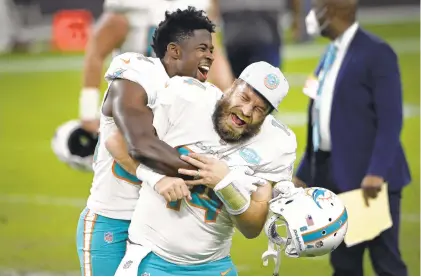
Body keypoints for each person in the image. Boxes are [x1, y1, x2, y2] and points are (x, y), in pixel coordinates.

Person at [105, 62, 297, 276]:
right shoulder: (187, 98)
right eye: (244, 98)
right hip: (153, 258)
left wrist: (225, 184)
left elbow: (252, 227)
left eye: (259, 109)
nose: (246, 111)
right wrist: (156, 178)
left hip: (215, 265)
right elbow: (117, 142)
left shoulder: (275, 144)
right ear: (233, 86)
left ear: (268, 117)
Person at [76, 7, 217, 276]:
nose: (210, 55)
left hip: (161, 227)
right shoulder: (136, 73)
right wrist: (212, 177)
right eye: (202, 48)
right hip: (114, 219)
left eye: (211, 49)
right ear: (175, 51)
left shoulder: (200, 96)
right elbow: (141, 143)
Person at [294, 0, 410, 275]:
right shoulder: (331, 53)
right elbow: (320, 118)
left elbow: (391, 119)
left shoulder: (376, 52)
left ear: (332, 12)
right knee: (344, 265)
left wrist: (376, 173)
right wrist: (304, 170)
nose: (312, 15)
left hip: (366, 180)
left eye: (318, 9)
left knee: (386, 263)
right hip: (332, 176)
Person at [78, 0, 233, 134]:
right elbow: (96, 53)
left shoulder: (198, 4)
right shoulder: (128, 6)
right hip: (135, 106)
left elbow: (213, 54)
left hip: (183, 106)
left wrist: (228, 101)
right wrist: (88, 113)